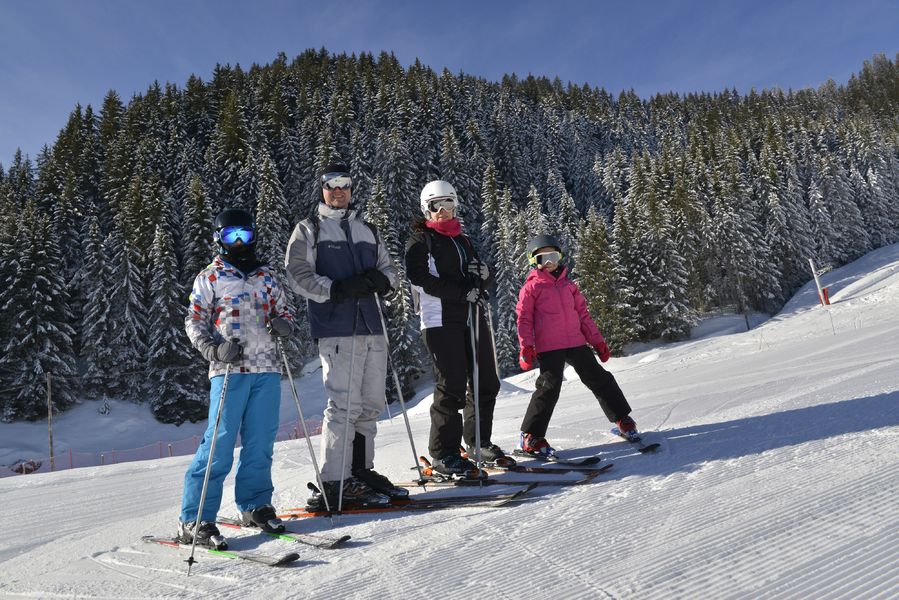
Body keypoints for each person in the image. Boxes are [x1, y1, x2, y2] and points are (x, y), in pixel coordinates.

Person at [284, 163, 403, 508]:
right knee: (344, 406)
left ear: (351, 189)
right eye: (330, 186)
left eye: (344, 185)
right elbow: (297, 274)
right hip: (337, 329)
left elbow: (390, 270)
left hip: (372, 326)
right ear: (322, 190)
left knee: (371, 406)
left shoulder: (368, 229)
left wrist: (384, 282)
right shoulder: (310, 230)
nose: (338, 192)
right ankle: (334, 481)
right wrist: (336, 288)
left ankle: (360, 472)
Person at [178, 207, 294, 549]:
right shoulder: (211, 277)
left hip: (267, 369)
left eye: (245, 234)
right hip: (229, 370)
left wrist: (284, 324)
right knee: (219, 443)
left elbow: (284, 311)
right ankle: (196, 517)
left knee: (261, 442)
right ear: (219, 239)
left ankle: (255, 505)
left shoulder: (267, 276)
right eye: (232, 236)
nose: (240, 241)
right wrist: (213, 350)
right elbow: (194, 321)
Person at [405, 180, 511, 477]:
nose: (443, 211)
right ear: (427, 209)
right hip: (439, 320)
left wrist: (485, 277)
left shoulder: (462, 240)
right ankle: (444, 453)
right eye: (437, 206)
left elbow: (474, 279)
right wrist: (461, 293)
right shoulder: (420, 241)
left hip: (470, 316)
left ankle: (478, 442)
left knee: (485, 380)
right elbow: (420, 279)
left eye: (449, 204)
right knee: (451, 385)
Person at [516, 234, 639, 457]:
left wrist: (597, 340)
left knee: (600, 379)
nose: (550, 262)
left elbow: (583, 315)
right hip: (549, 346)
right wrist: (526, 347)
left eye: (553, 256)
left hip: (575, 341)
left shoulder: (569, 286)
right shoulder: (531, 288)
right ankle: (531, 436)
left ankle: (623, 419)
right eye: (543, 258)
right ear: (534, 261)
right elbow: (523, 318)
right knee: (549, 388)